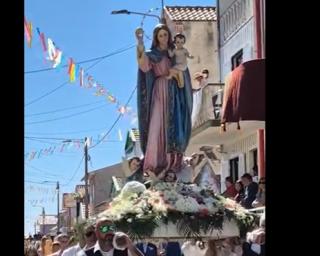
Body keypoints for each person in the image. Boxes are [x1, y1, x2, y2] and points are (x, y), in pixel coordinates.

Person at [136, 24, 193, 176]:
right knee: (156, 125)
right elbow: (144, 66)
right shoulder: (151, 54)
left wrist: (177, 73)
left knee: (173, 125)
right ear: (156, 38)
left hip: (174, 92)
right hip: (159, 89)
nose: (163, 38)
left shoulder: (174, 54)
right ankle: (152, 165)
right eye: (160, 35)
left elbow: (183, 68)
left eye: (165, 35)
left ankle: (171, 164)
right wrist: (140, 42)